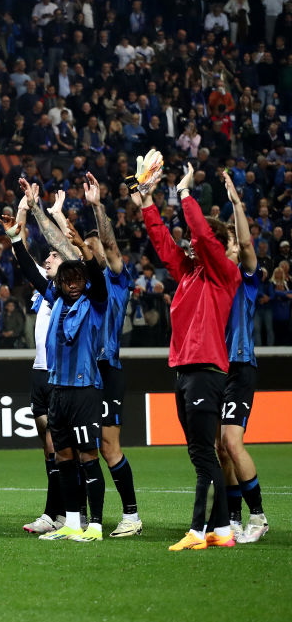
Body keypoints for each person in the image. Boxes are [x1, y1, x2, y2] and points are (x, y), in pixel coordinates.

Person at [136, 161, 241, 551]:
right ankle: (224, 530)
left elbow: (199, 232)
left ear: (205, 245)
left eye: (195, 242)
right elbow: (163, 243)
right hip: (183, 370)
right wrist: (147, 202)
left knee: (202, 454)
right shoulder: (190, 273)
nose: (187, 244)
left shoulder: (223, 272)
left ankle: (200, 531)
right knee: (200, 453)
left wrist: (183, 192)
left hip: (205, 369)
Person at [7, 195, 109, 543]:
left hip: (83, 391)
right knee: (63, 457)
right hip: (58, 390)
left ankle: (95, 525)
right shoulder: (54, 300)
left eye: (76, 277)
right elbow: (32, 274)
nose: (71, 282)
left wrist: (84, 250)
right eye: (66, 279)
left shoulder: (95, 304)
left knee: (87, 457)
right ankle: (73, 522)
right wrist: (15, 239)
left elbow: (94, 273)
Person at [82, 176, 142, 537]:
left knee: (108, 446)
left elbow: (108, 243)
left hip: (108, 370)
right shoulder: (84, 287)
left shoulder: (117, 279)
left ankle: (132, 515)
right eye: (86, 249)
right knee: (85, 447)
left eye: (94, 249)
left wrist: (97, 205)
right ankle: (83, 518)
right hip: (84, 374)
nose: (92, 253)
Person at [218, 173, 269, 543]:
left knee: (232, 442)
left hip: (241, 368)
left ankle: (258, 516)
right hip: (216, 369)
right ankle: (233, 516)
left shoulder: (245, 278)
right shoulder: (212, 280)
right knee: (221, 447)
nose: (234, 248)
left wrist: (237, 205)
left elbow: (248, 243)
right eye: (229, 244)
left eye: (234, 244)